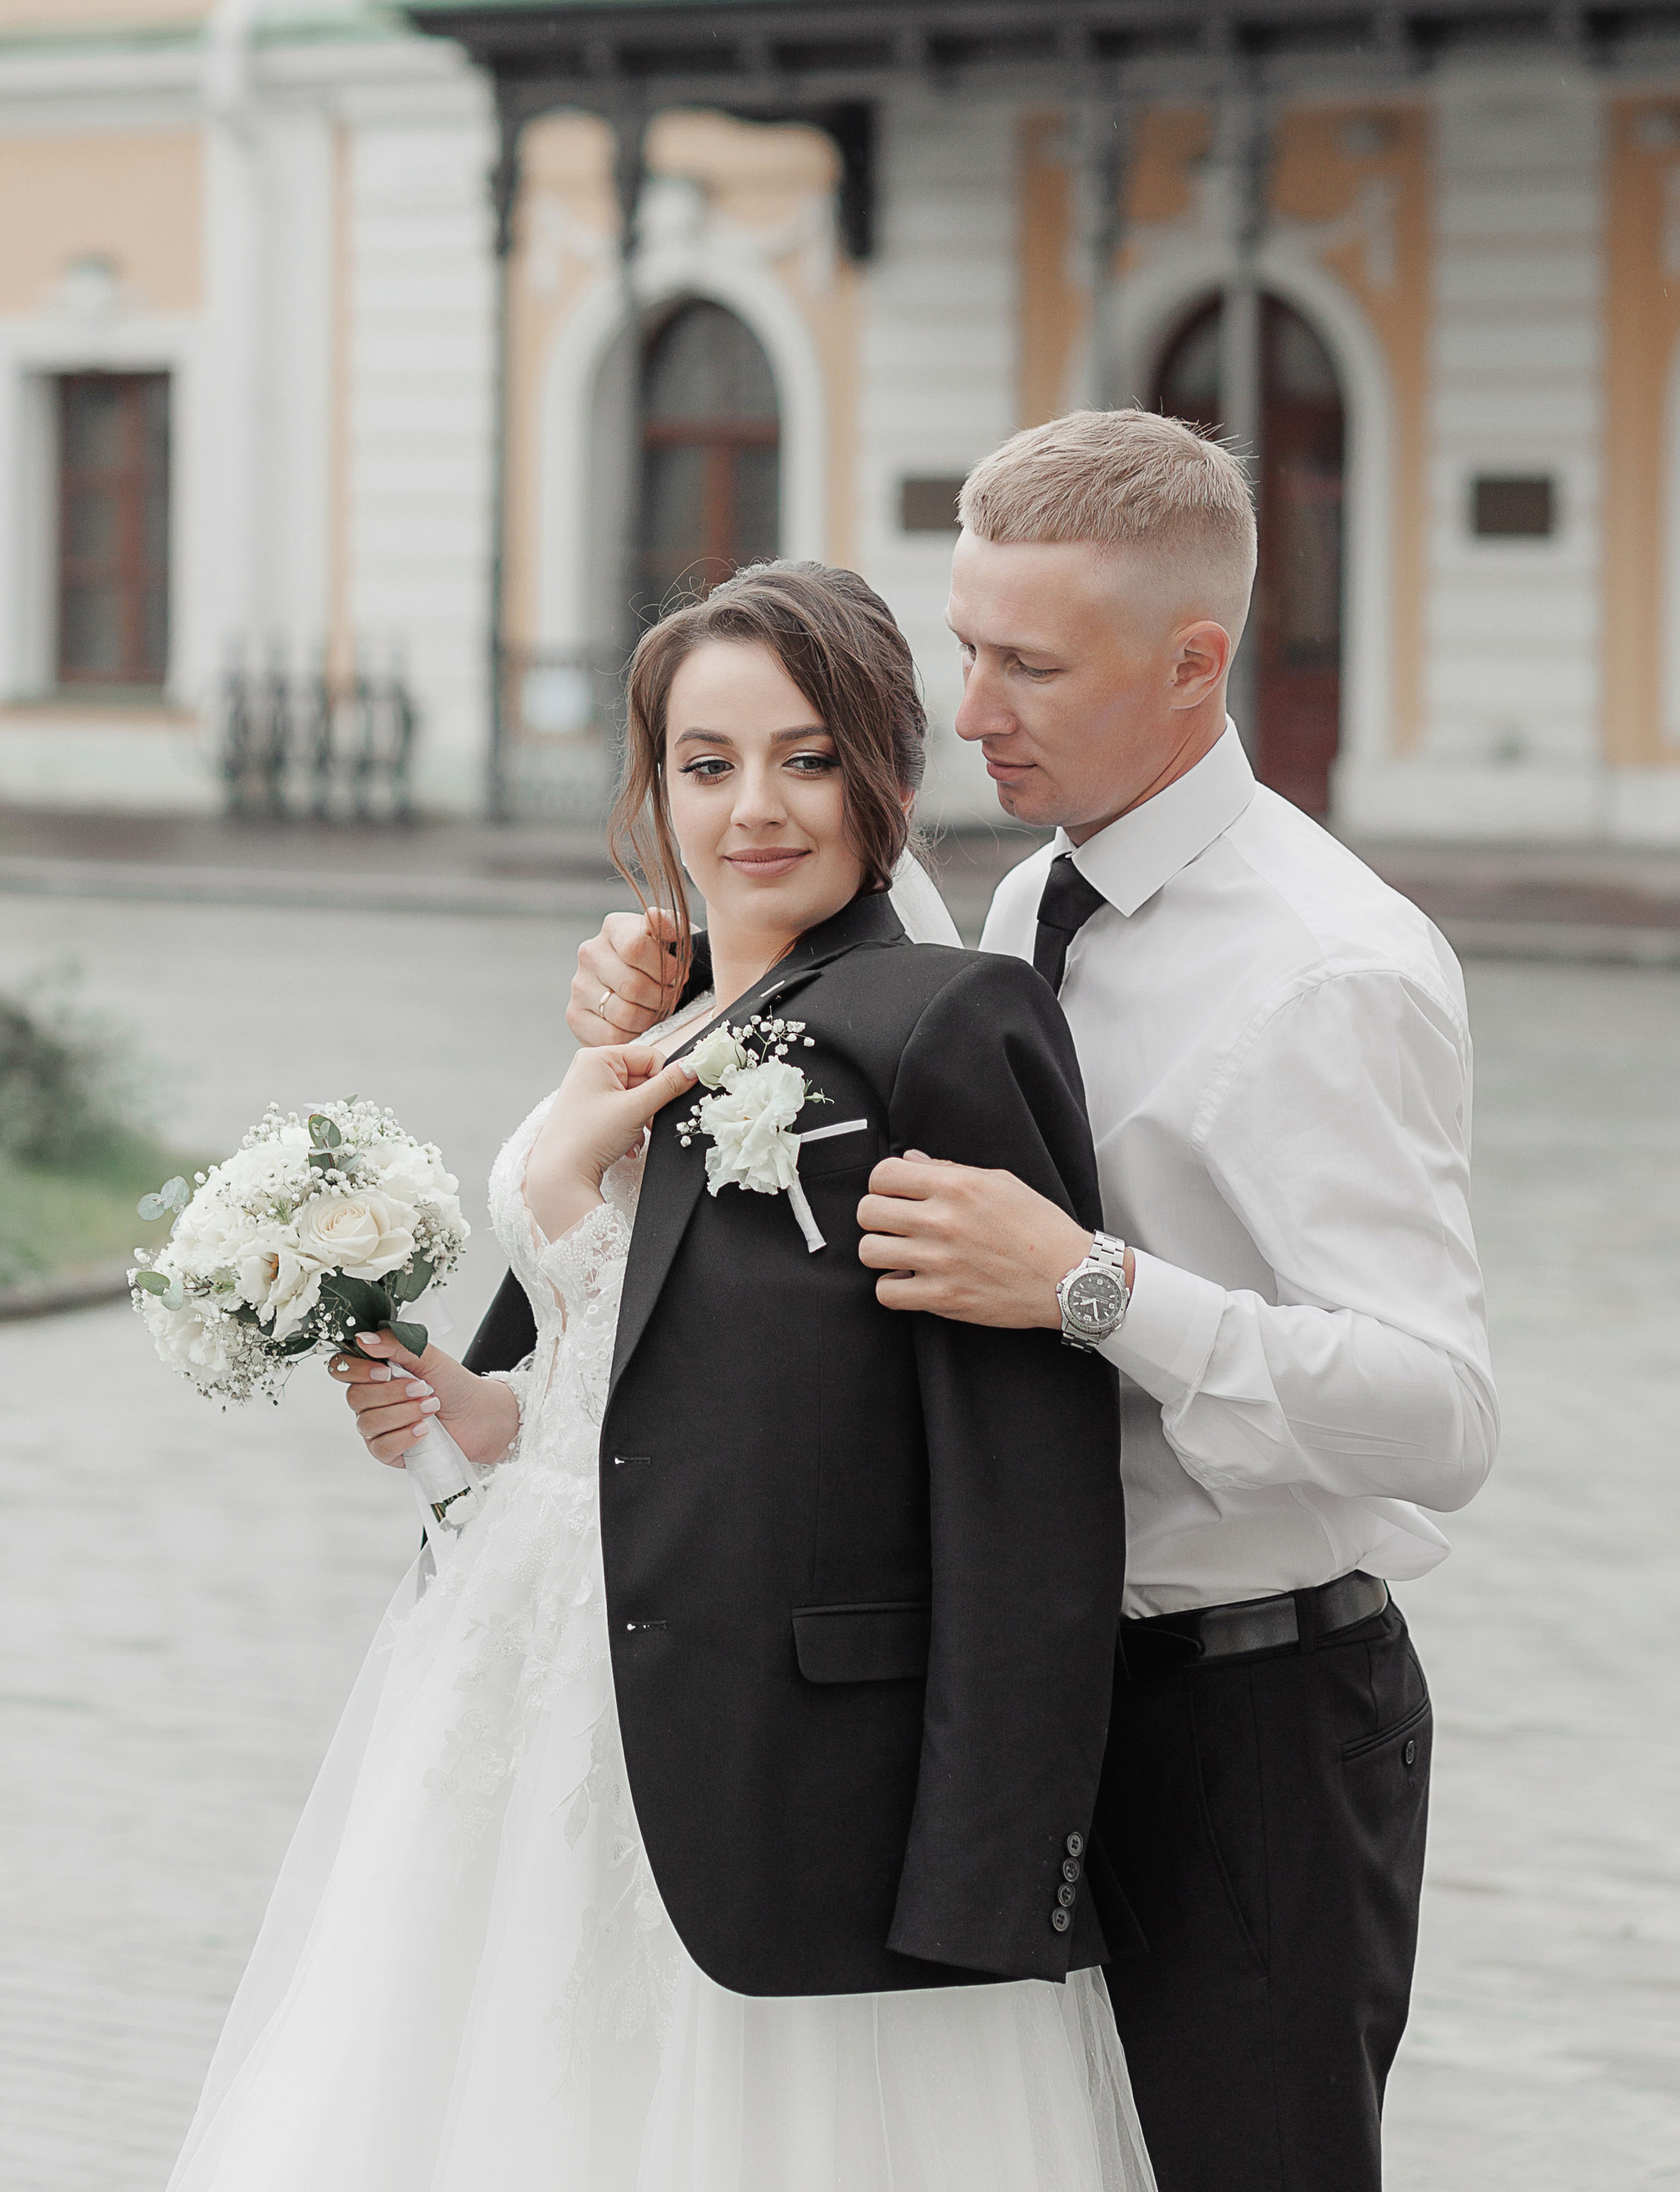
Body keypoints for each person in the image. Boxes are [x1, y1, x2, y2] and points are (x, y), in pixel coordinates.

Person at [569, 411, 1497, 2192]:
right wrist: (677, 958)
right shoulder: (1031, 895)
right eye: (965, 644)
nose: (966, 708)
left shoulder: (1327, 969)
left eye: (1026, 664)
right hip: (1007, 1700)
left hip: (1239, 1728)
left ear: (1191, 664)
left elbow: (1439, 1417)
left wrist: (1084, 1288)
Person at [169, 563, 1154, 2192]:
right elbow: (587, 1398)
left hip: (792, 1774)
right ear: (653, 789)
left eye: (805, 756)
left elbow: (1024, 1480)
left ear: (886, 774)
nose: (752, 809)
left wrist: (990, 1870)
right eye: (706, 765)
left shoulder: (945, 1025)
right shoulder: (650, 1022)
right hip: (526, 1708)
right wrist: (449, 1417)